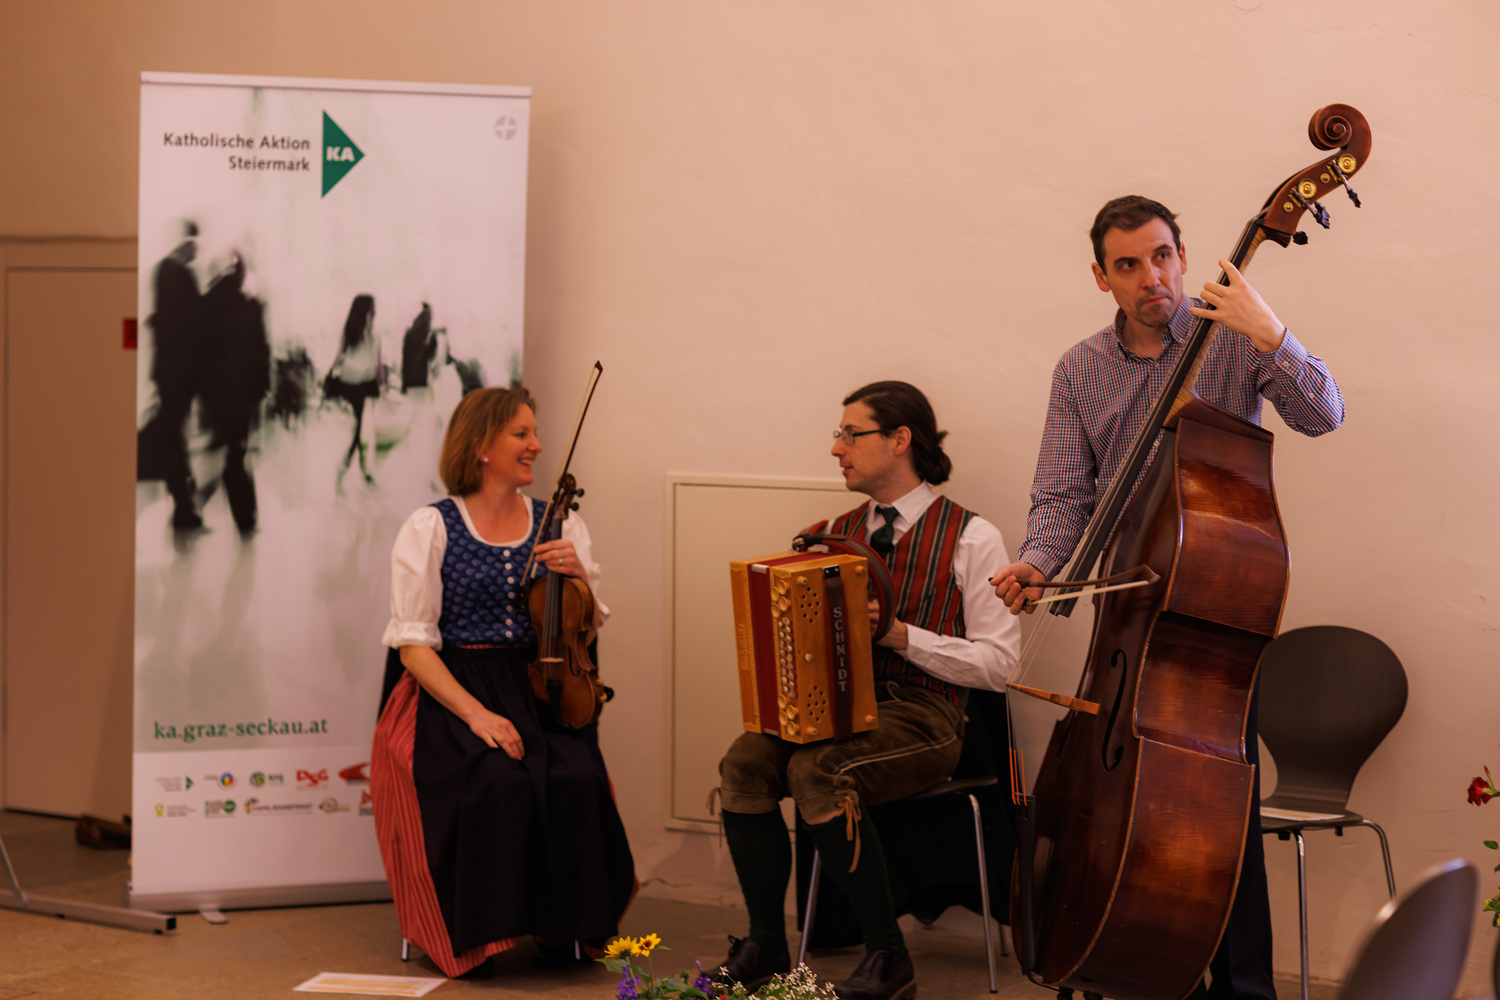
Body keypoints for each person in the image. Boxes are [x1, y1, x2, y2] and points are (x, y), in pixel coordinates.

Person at [992, 195, 1346, 1000]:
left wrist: (1272, 334)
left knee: (1219, 811)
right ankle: (1121, 960)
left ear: (1183, 257)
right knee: (1106, 801)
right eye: (1128, 265)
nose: (1150, 276)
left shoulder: (1233, 336)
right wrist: (1039, 562)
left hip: (1211, 614)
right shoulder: (1080, 369)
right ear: (1101, 277)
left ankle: (1244, 990)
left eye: (1160, 256)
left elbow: (1324, 415)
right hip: (1124, 609)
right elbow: (1062, 495)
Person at [713, 381, 1022, 1000]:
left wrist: (902, 636)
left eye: (851, 434)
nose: (837, 448)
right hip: (835, 709)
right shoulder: (832, 533)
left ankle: (889, 956)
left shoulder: (972, 536)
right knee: (743, 762)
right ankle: (765, 943)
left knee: (818, 771)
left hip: (929, 716)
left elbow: (1000, 666)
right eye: (840, 435)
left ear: (900, 439)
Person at [370, 386, 635, 978]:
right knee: (493, 783)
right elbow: (414, 647)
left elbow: (583, 631)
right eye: (521, 433)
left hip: (539, 686)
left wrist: (578, 579)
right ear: (481, 445)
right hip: (453, 688)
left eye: (534, 432)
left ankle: (561, 926)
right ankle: (479, 935)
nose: (536, 444)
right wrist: (478, 715)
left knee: (577, 779)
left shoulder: (561, 524)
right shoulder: (430, 526)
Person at [325, 294, 382, 488]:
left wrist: (329, 376)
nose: (375, 309)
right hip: (364, 385)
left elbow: (338, 358)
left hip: (347, 383)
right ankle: (356, 469)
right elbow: (378, 365)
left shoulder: (349, 331)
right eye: (373, 306)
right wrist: (382, 386)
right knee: (359, 429)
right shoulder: (374, 335)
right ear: (367, 310)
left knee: (357, 429)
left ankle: (356, 468)